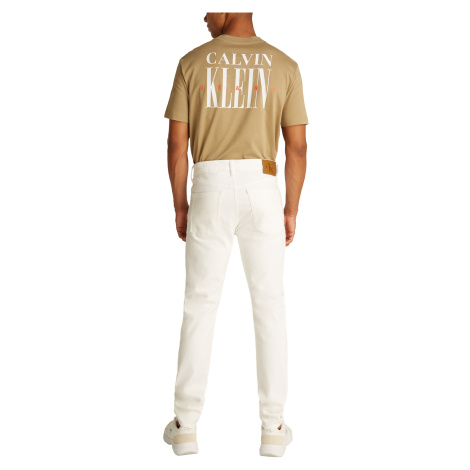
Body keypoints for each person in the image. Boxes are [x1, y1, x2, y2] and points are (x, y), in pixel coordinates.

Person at [162, 12, 308, 457]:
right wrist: (290, 208)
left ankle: (185, 426)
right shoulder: (284, 65)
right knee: (269, 306)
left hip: (208, 185)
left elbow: (176, 143)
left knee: (199, 303)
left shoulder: (192, 63)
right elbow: (297, 146)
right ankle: (273, 428)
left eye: (210, 7)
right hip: (262, 184)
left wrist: (181, 205)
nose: (204, 14)